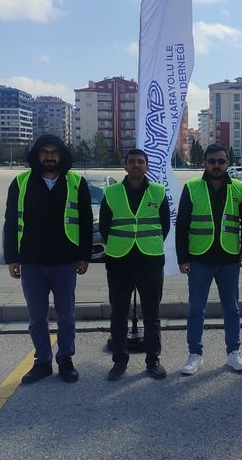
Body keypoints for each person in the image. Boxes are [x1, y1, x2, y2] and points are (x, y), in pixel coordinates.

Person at [3, 134, 92, 384]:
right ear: (37, 155)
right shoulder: (20, 182)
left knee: (66, 316)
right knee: (37, 318)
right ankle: (42, 361)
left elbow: (85, 221)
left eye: (54, 152)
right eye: (45, 152)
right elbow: (11, 222)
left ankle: (65, 360)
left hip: (65, 261)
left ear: (61, 155)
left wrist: (84, 255)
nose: (50, 156)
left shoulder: (76, 182)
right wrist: (12, 257)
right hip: (31, 262)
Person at [176, 143, 242, 375]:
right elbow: (182, 226)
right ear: (204, 163)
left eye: (221, 161)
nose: (217, 165)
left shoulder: (238, 188)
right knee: (196, 309)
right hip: (199, 259)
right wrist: (182, 257)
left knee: (232, 309)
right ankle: (195, 354)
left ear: (227, 163)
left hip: (229, 259)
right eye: (212, 161)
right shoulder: (192, 188)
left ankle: (233, 353)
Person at [101, 149, 171, 381]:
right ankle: (119, 362)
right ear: (125, 166)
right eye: (132, 162)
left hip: (150, 260)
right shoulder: (111, 193)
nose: (136, 165)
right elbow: (104, 227)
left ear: (147, 166)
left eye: (141, 162)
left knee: (152, 315)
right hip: (119, 261)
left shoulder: (159, 192)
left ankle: (153, 361)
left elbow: (164, 225)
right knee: (119, 314)